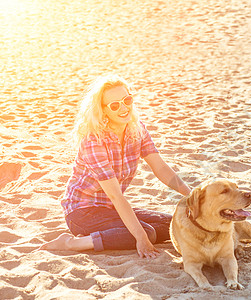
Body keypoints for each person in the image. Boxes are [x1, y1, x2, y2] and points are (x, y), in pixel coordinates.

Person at [39, 74, 191, 259]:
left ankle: (111, 234)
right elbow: (115, 195)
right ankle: (72, 243)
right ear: (103, 110)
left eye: (127, 100)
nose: (123, 108)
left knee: (175, 224)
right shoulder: (93, 140)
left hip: (110, 209)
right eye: (114, 105)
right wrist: (141, 237)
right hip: (81, 212)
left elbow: (161, 168)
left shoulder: (137, 129)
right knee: (146, 233)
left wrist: (192, 196)